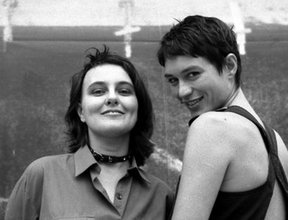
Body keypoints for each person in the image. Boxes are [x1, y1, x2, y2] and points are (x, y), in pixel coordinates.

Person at [5, 45, 174, 220]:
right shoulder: (42, 175)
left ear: (138, 108)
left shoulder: (162, 196)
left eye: (124, 91)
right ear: (81, 112)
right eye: (98, 91)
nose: (112, 98)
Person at [157, 15, 288, 220]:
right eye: (173, 80)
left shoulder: (212, 127)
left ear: (230, 65)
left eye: (192, 74)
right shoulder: (276, 143)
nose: (182, 91)